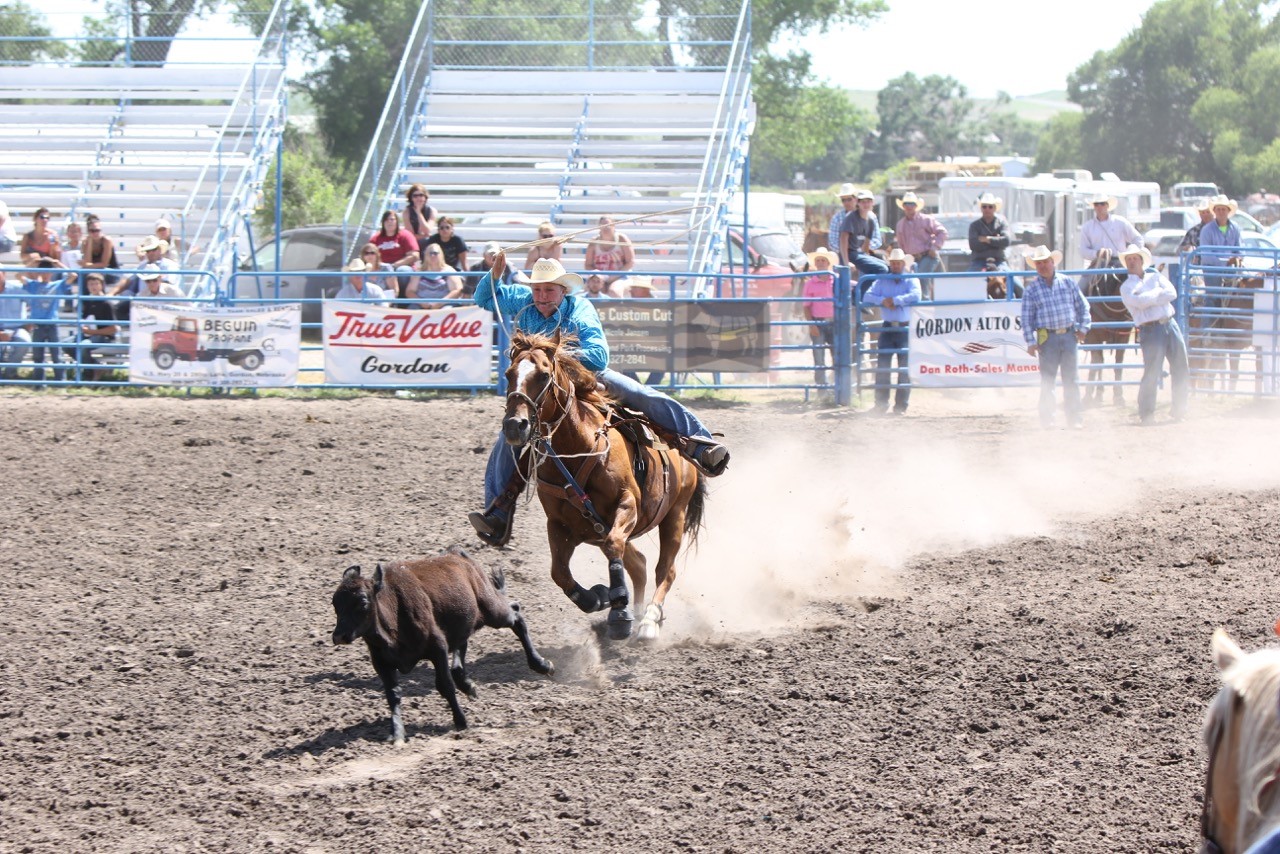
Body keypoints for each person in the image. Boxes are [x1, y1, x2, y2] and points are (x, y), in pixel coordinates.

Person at [467, 252, 729, 547]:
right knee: (509, 437)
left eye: (548, 290)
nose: (541, 296)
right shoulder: (526, 300)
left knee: (642, 395)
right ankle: (498, 512)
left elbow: (598, 355)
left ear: (562, 290)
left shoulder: (579, 309)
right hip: (545, 391)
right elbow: (486, 299)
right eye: (537, 289)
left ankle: (700, 444)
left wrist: (555, 361)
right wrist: (495, 274)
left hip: (586, 377)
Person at [1117, 244, 1188, 426]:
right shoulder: (1126, 287)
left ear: (1141, 261)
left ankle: (1180, 409)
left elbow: (1172, 293)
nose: (1132, 262)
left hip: (1169, 323)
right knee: (1152, 372)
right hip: (1150, 328)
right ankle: (1146, 413)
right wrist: (1157, 294)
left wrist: (1149, 297)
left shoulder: (1155, 276)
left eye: (1135, 258)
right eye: (1129, 259)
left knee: (1181, 365)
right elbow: (1138, 303)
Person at [1021, 246, 1091, 429]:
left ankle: (1074, 419)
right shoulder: (1032, 290)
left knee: (1071, 379)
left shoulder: (1067, 283)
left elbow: (1083, 307)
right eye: (1039, 263)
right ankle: (1048, 420)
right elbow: (1027, 318)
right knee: (1048, 381)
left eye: (1045, 262)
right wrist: (1030, 341)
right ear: (1036, 266)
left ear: (1053, 263)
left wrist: (1083, 328)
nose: (1043, 266)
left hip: (1068, 335)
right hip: (1048, 338)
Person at [864, 248, 922, 415]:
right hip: (889, 325)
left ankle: (900, 406)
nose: (896, 266)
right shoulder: (883, 280)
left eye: (898, 263)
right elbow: (867, 296)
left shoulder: (910, 279)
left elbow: (917, 295)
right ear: (891, 264)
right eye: (893, 263)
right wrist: (883, 300)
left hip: (904, 326)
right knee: (883, 366)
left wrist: (895, 301)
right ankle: (881, 404)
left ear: (903, 264)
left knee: (904, 368)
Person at [22, 257, 75, 385]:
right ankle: (39, 383)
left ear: (51, 273)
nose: (45, 274)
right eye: (43, 271)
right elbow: (19, 275)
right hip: (38, 324)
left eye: (48, 271)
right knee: (38, 356)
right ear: (39, 272)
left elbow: (73, 275)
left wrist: (58, 263)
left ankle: (60, 382)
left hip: (52, 323)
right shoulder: (33, 285)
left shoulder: (57, 285)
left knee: (56, 355)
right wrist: (33, 263)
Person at [894, 191, 947, 300]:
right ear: (903, 206)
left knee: (921, 278)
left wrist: (935, 247)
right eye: (907, 204)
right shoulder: (900, 224)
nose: (909, 207)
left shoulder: (926, 219)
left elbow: (942, 232)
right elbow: (901, 244)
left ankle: (924, 304)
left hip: (928, 255)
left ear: (916, 206)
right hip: (911, 258)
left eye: (912, 204)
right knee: (907, 280)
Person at [802, 247, 838, 386]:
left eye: (823, 260)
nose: (821, 262)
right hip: (818, 322)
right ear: (815, 264)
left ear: (828, 263)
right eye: (818, 260)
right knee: (819, 357)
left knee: (837, 355)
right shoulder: (810, 283)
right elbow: (806, 306)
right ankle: (822, 388)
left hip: (834, 322)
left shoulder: (836, 280)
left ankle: (837, 386)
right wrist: (812, 325)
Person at [76, 271, 120, 381]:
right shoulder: (86, 301)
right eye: (91, 284)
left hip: (104, 337)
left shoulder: (107, 303)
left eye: (96, 284)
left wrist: (92, 332)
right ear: (87, 286)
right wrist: (84, 327)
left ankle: (88, 374)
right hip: (89, 335)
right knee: (66, 345)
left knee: (83, 346)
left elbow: (114, 328)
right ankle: (96, 367)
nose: (93, 287)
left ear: (102, 285)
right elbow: (83, 319)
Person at [839, 190, 888, 280]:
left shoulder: (870, 221)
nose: (866, 204)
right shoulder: (851, 218)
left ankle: (867, 291)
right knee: (882, 269)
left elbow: (866, 246)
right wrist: (846, 263)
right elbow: (843, 240)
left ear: (872, 203)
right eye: (863, 202)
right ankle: (863, 292)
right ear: (858, 203)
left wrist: (867, 260)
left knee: (887, 266)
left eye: (868, 202)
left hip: (860, 254)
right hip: (849, 254)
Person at [1079, 194, 1141, 264]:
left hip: (1119, 261)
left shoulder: (1120, 222)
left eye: (1102, 204)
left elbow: (1138, 238)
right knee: (1085, 275)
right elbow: (1083, 250)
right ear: (1094, 207)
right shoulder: (1087, 227)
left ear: (1107, 205)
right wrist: (1096, 253)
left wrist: (1131, 254)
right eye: (1096, 204)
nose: (1099, 207)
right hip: (1098, 263)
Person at [0, 270, 32, 380]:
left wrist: (30, 321)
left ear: (4, 274)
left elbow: (35, 302)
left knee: (24, 341)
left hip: (17, 327)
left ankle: (10, 373)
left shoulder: (16, 288)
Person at [584, 216, 634, 285]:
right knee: (594, 289)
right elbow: (588, 265)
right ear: (599, 227)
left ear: (614, 226)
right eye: (603, 225)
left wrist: (614, 277)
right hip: (599, 278)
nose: (605, 227)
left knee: (614, 291)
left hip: (621, 276)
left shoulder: (622, 239)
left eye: (608, 225)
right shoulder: (593, 242)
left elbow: (630, 262)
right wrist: (598, 276)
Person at [1197, 195, 1243, 268]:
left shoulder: (1235, 228)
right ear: (1214, 211)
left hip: (1232, 270)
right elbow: (1206, 255)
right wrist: (1226, 262)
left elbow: (1240, 249)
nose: (1221, 212)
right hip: (1212, 271)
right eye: (1218, 209)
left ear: (1228, 211)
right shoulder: (1206, 230)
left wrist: (1237, 259)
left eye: (1223, 209)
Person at [967, 193, 1009, 272]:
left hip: (999, 262)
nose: (987, 209)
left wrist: (987, 239)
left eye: (990, 206)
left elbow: (1006, 241)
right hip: (978, 262)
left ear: (994, 208)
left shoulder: (1001, 223)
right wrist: (996, 241)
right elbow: (973, 245)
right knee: (966, 281)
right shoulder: (974, 226)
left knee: (1016, 283)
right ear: (981, 208)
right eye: (984, 206)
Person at [79, 214, 121, 289]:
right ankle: (85, 300)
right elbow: (88, 261)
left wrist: (88, 265)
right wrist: (90, 242)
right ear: (88, 231)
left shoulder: (106, 241)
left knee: (97, 276)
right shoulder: (86, 242)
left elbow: (104, 264)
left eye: (97, 230)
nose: (95, 233)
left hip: (111, 272)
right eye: (92, 231)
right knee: (84, 274)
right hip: (93, 271)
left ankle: (101, 299)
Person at [402, 184, 437, 249]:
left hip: (426, 243)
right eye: (415, 196)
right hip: (411, 243)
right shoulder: (407, 212)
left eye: (421, 195)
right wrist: (425, 236)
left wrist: (418, 213)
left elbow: (427, 230)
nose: (418, 198)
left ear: (425, 197)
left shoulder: (432, 211)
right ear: (411, 198)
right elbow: (411, 236)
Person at [828, 183, 858, 260]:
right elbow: (833, 242)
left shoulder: (867, 216)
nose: (846, 202)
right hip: (843, 256)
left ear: (856, 199)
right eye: (843, 200)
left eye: (849, 199)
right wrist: (846, 252)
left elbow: (876, 240)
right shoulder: (837, 218)